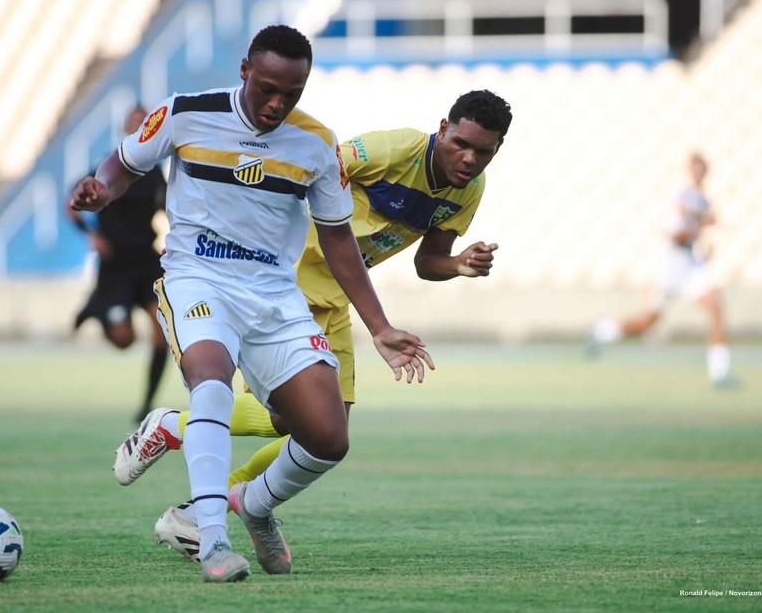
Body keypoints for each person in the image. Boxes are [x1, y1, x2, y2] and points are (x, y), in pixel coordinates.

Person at [70, 25, 433, 582]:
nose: (276, 103)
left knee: (327, 435)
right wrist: (100, 187)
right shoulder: (186, 113)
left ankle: (257, 506)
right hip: (197, 278)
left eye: (292, 93)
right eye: (267, 88)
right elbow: (122, 167)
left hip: (273, 294)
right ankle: (211, 540)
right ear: (244, 70)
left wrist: (379, 325)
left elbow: (337, 239)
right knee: (210, 381)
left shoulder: (316, 144)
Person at [116, 90, 514, 562]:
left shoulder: (469, 190)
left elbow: (428, 261)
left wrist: (458, 265)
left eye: (483, 151)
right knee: (298, 418)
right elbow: (311, 171)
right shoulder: (394, 150)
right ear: (443, 127)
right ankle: (180, 433)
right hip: (289, 278)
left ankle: (227, 497)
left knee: (328, 431)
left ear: (497, 149)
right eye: (461, 143)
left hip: (338, 295)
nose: (469, 158)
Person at [586, 152, 738, 388]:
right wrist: (700, 223)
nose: (699, 173)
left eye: (703, 169)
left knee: (717, 309)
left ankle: (719, 373)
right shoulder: (680, 198)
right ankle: (604, 331)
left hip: (690, 266)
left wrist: (705, 250)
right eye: (696, 168)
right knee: (648, 322)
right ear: (690, 170)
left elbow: (696, 236)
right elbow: (676, 237)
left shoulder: (704, 201)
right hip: (668, 268)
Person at [67, 106, 169, 422]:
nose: (139, 130)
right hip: (115, 265)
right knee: (124, 341)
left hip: (146, 260)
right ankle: (97, 306)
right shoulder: (108, 168)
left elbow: (170, 207)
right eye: (134, 124)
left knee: (163, 330)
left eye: (145, 125)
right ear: (125, 130)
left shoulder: (155, 174)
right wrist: (90, 236)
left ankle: (146, 405)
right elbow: (71, 205)